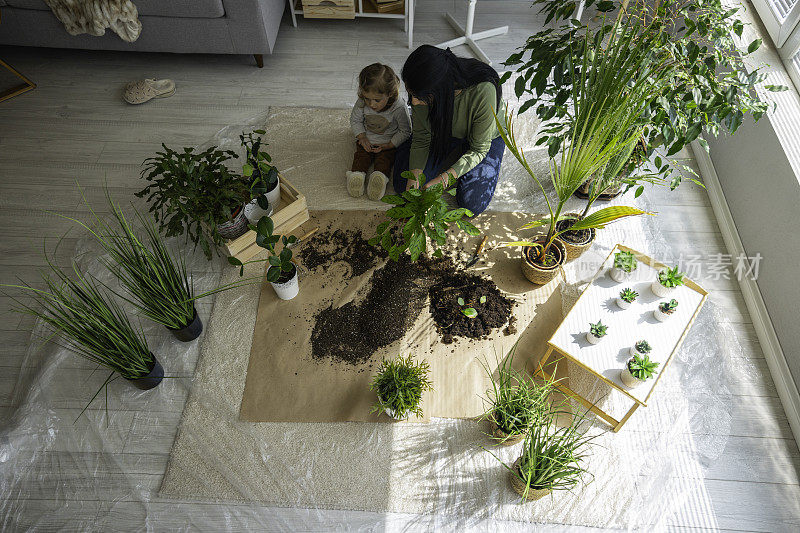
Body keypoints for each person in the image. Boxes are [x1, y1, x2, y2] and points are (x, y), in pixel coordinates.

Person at [394, 45, 505, 216]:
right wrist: (414, 176)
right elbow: (422, 138)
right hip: (443, 131)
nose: (414, 103)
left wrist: (444, 179)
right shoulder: (421, 89)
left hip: (484, 138)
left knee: (472, 203)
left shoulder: (483, 91)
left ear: (443, 92)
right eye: (412, 96)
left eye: (422, 98)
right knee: (404, 187)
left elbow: (479, 149)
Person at [347, 63, 412, 201]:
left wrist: (390, 144)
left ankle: (379, 179)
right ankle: (356, 177)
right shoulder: (361, 102)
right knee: (360, 157)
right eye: (367, 98)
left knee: (385, 161)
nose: (371, 104)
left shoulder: (398, 106)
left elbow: (406, 130)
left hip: (387, 144)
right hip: (366, 141)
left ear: (389, 94)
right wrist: (362, 137)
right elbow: (355, 120)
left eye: (377, 100)